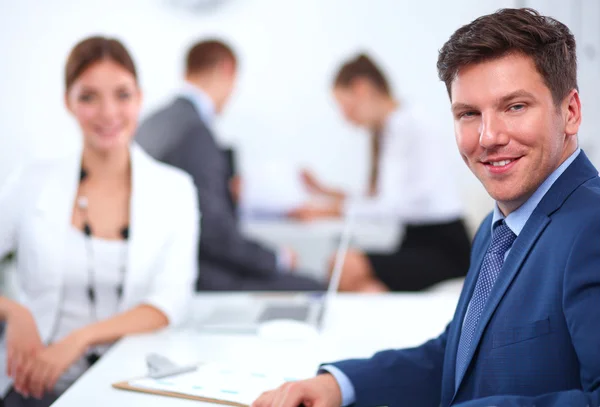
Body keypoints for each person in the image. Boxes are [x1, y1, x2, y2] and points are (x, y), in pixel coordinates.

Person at [253, 8, 600, 407]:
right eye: (469, 114)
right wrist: (340, 384)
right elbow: (456, 359)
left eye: (515, 107)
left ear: (570, 112)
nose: (488, 137)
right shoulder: (496, 228)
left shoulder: (591, 227)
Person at [0, 36, 199, 406]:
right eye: (89, 97)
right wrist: (14, 310)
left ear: (140, 97)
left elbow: (171, 300)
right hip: (36, 385)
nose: (108, 113)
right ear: (68, 102)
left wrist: (77, 339)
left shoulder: (175, 189)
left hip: (132, 385)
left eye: (122, 95)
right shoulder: (30, 183)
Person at [136, 39, 324, 291]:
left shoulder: (152, 123)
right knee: (313, 288)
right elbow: (213, 232)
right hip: (200, 275)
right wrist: (276, 258)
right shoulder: (194, 131)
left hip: (162, 270)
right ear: (226, 69)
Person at [290, 54, 471, 292]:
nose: (347, 118)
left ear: (361, 88)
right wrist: (326, 193)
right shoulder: (392, 128)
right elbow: (381, 198)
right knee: (364, 288)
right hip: (415, 239)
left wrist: (330, 210)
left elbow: (389, 205)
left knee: (343, 266)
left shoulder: (410, 126)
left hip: (442, 246)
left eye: (347, 107)